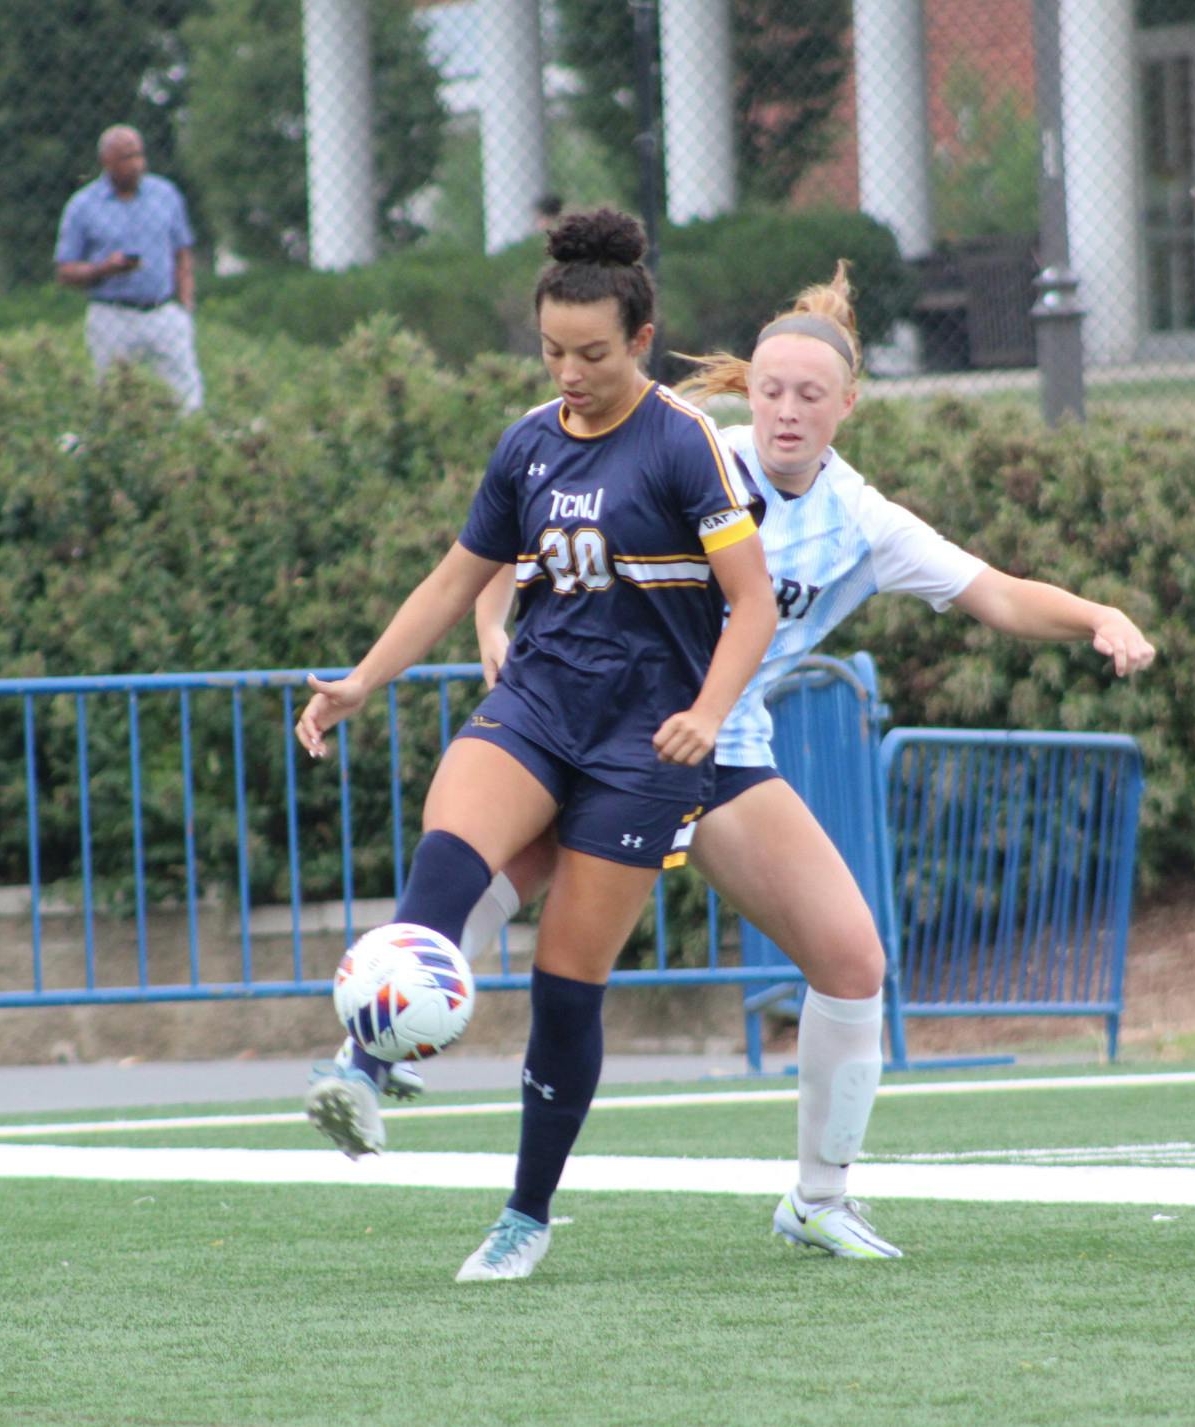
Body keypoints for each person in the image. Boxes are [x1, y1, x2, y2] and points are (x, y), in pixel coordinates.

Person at [425, 263, 1154, 1269]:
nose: (785, 408)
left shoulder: (860, 519)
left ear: (846, 405)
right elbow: (546, 514)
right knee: (491, 881)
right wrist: (491, 613)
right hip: (605, 729)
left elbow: (995, 594)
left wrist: (1096, 616)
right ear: (745, 391)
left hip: (720, 750)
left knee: (852, 959)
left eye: (809, 393)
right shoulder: (692, 454)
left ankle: (818, 1196)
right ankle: (375, 1040)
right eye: (769, 387)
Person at [293, 210, 777, 1283]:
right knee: (447, 854)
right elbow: (452, 580)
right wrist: (361, 681)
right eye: (552, 350)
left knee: (566, 980)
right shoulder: (527, 441)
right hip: (539, 702)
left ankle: (525, 1212)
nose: (569, 372)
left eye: (592, 354)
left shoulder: (683, 442)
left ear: (640, 341)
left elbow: (751, 607)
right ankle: (367, 1067)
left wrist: (706, 709)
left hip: (644, 743)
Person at [54, 125, 204, 413]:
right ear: (106, 162)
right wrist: (103, 269)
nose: (137, 164)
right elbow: (64, 271)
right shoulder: (83, 206)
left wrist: (185, 305)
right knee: (113, 394)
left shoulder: (165, 195)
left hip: (162, 311)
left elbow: (182, 252)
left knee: (185, 394)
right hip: (113, 314)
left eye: (139, 155)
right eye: (126, 157)